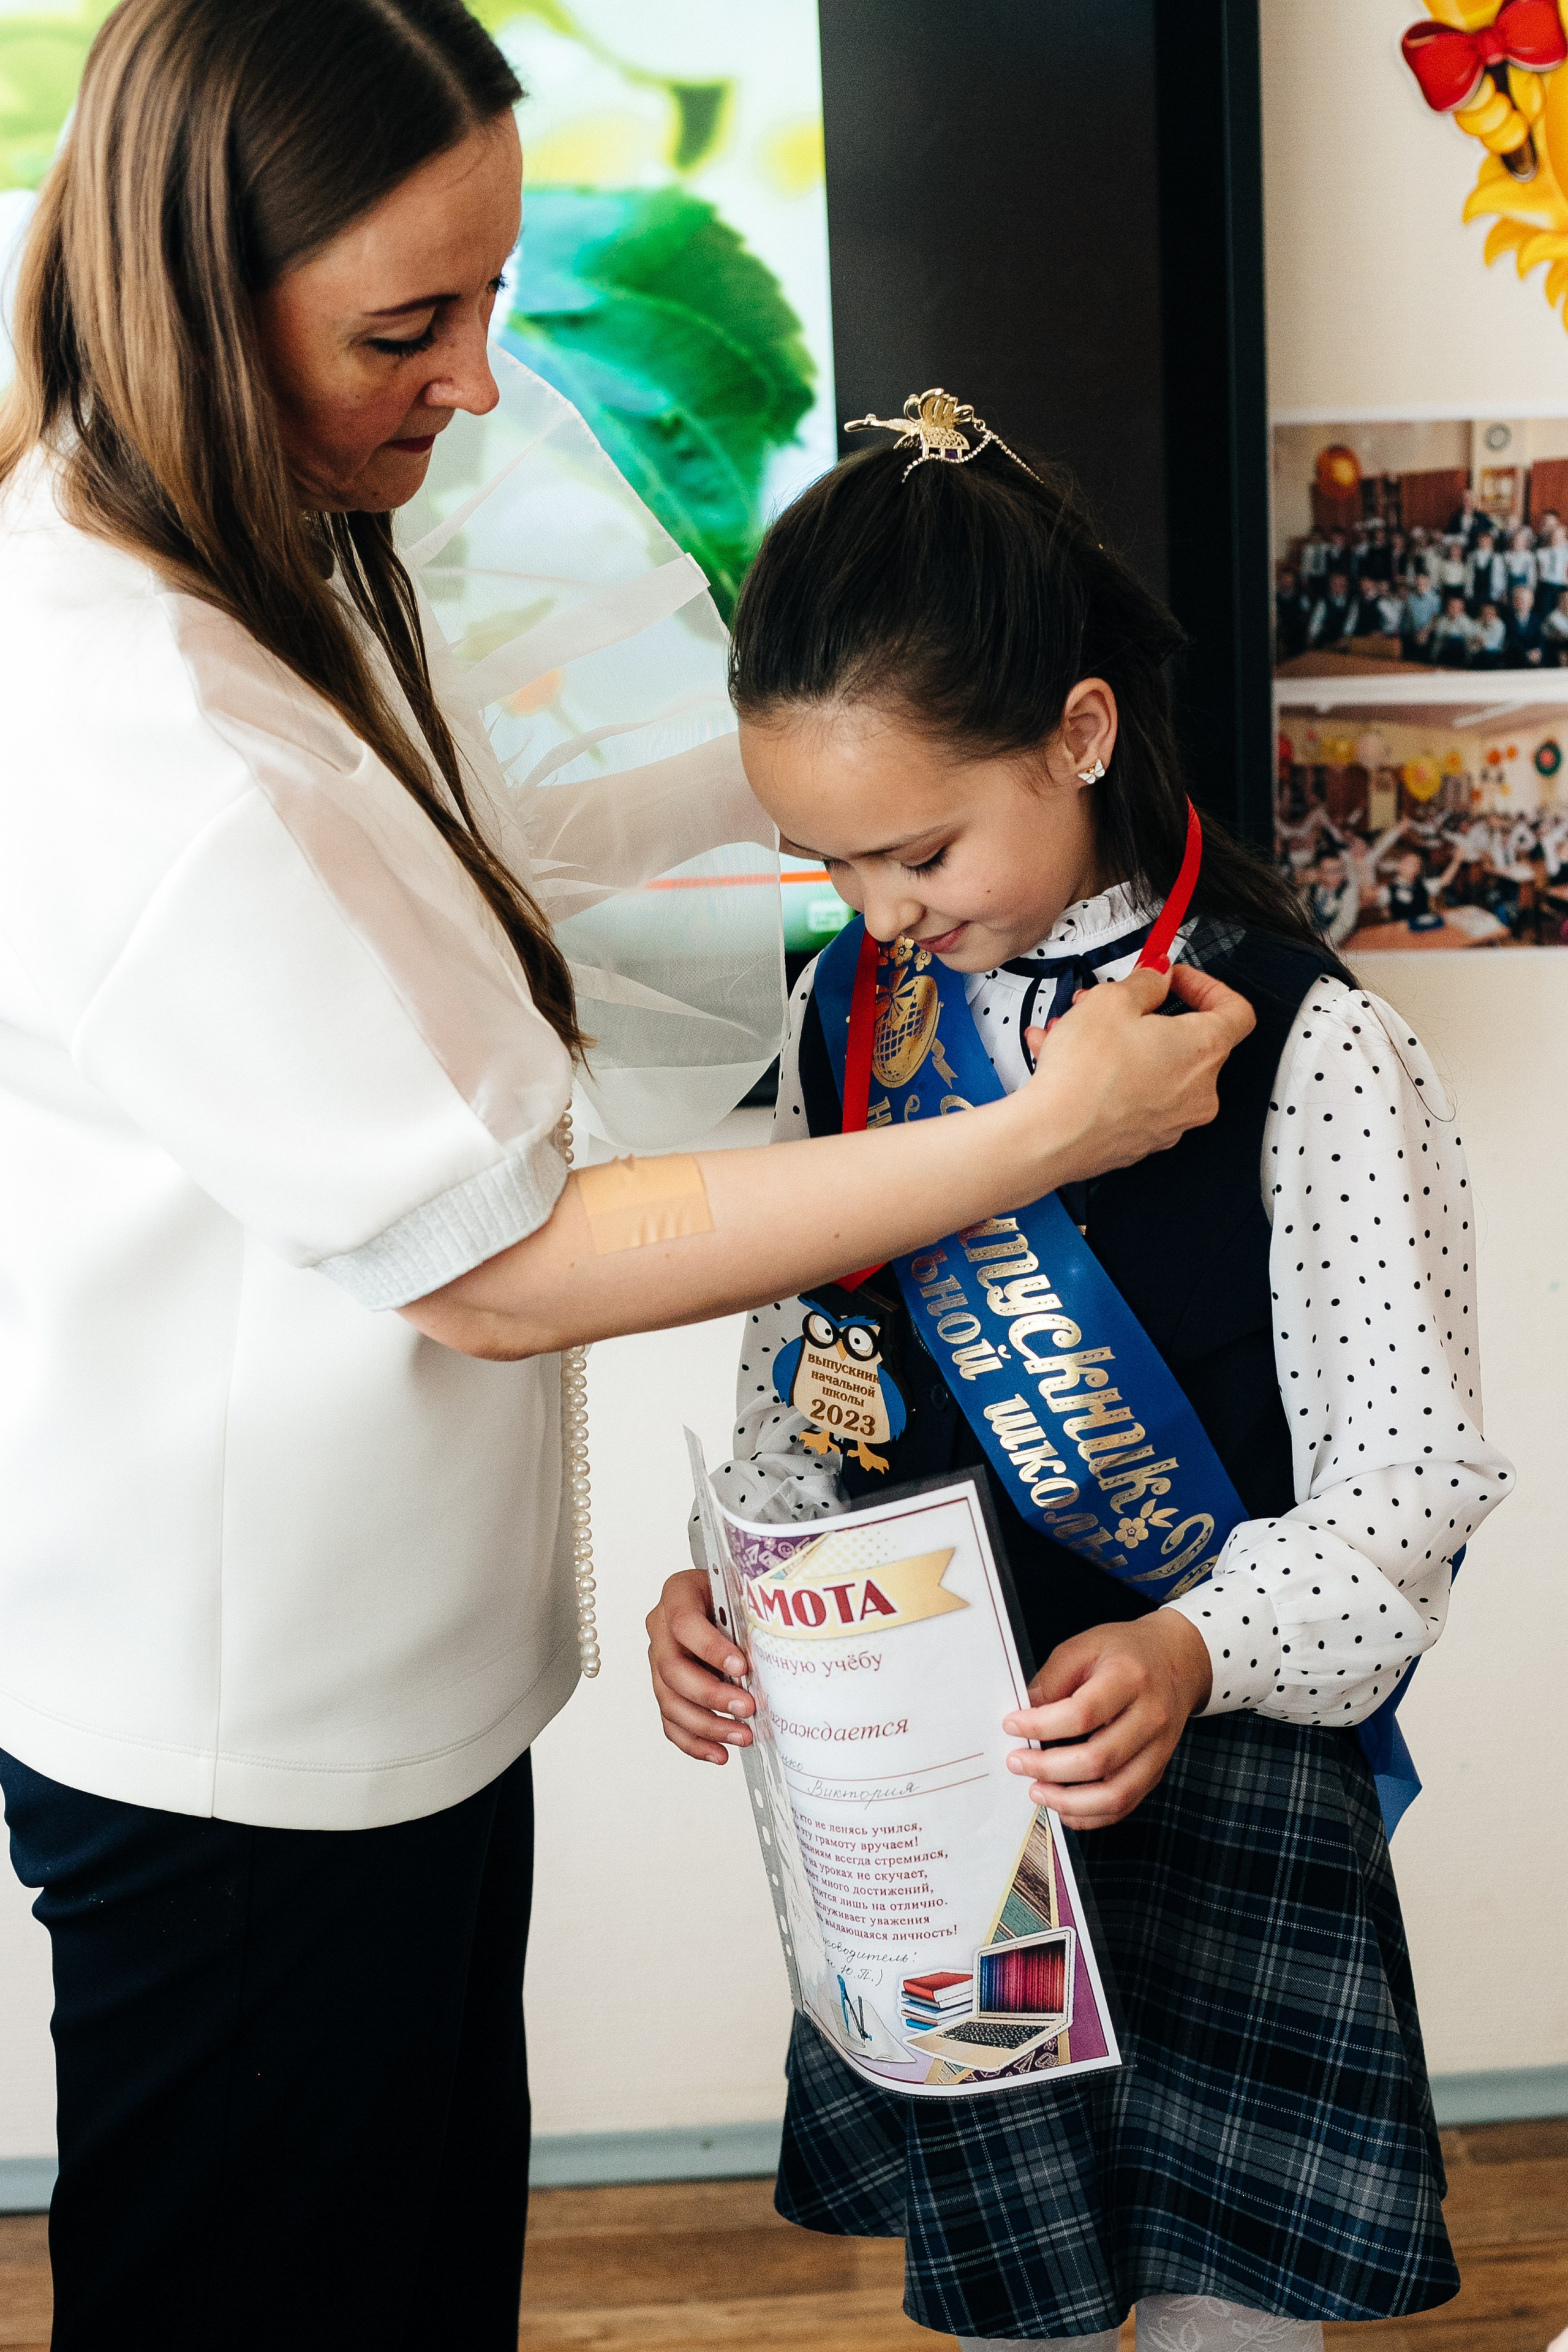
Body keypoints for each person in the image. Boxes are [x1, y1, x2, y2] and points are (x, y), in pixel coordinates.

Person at [0, 9, 1256, 2348]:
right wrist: (1029, 1138)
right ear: (201, 295)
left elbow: (455, 856)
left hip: (354, 1693)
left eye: (491, 295)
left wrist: (812, 767)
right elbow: (494, 1265)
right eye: (409, 325)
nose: (479, 383)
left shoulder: (238, 554)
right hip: (248, 1736)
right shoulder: (136, 740)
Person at [645, 423, 1510, 2347]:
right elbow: (803, 1366)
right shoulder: (846, 1015)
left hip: (1211, 1790)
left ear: (1082, 731)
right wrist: (740, 1576)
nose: (878, 910)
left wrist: (1193, 1647)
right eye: (832, 861)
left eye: (919, 848)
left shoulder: (1317, 1046)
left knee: (1226, 2323)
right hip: (950, 1814)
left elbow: (1405, 1493)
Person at [1306, 847, 1360, 946]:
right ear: (1320, 873)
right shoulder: (1312, 890)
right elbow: (1297, 915)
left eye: (1337, 870)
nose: (1334, 875)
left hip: (1332, 944)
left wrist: (1322, 942)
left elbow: (1345, 923)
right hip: (1308, 941)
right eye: (1328, 871)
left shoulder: (1348, 891)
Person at [1306, 567, 1363, 647]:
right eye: (1335, 584)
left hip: (1347, 640)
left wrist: (1345, 637)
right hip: (1328, 640)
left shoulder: (1353, 601)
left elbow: (1351, 621)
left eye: (1342, 585)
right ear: (1330, 585)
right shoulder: (1324, 600)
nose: (1338, 588)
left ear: (1347, 586)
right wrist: (1312, 635)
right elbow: (1317, 619)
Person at [1273, 562, 1314, 660]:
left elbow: (1307, 615)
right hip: (1282, 632)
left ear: (1294, 580)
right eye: (1284, 578)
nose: (1286, 581)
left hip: (1298, 634)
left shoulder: (1302, 596)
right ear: (1279, 580)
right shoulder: (1275, 597)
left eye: (1289, 578)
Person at [1431, 590, 1479, 666]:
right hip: (1444, 653)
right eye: (1451, 606)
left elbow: (1471, 643)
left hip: (1461, 655)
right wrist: (1434, 657)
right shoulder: (1442, 620)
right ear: (1447, 608)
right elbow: (1438, 641)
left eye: (1457, 607)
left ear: (1462, 609)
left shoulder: (1466, 622)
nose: (1454, 610)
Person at [1505, 582, 1545, 667]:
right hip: (1515, 658)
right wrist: (1526, 654)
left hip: (1534, 658)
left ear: (1531, 602)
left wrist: (1538, 651)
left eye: (1526, 600)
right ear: (1514, 602)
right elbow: (1511, 640)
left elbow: (1540, 638)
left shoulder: (1538, 619)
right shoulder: (1507, 619)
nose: (1522, 603)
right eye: (1519, 599)